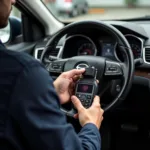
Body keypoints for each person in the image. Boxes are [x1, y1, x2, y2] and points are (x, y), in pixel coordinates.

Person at [0, 0, 104, 150]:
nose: (14, 0)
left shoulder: (20, 76)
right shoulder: (23, 72)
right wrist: (91, 125)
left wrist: (46, 92)